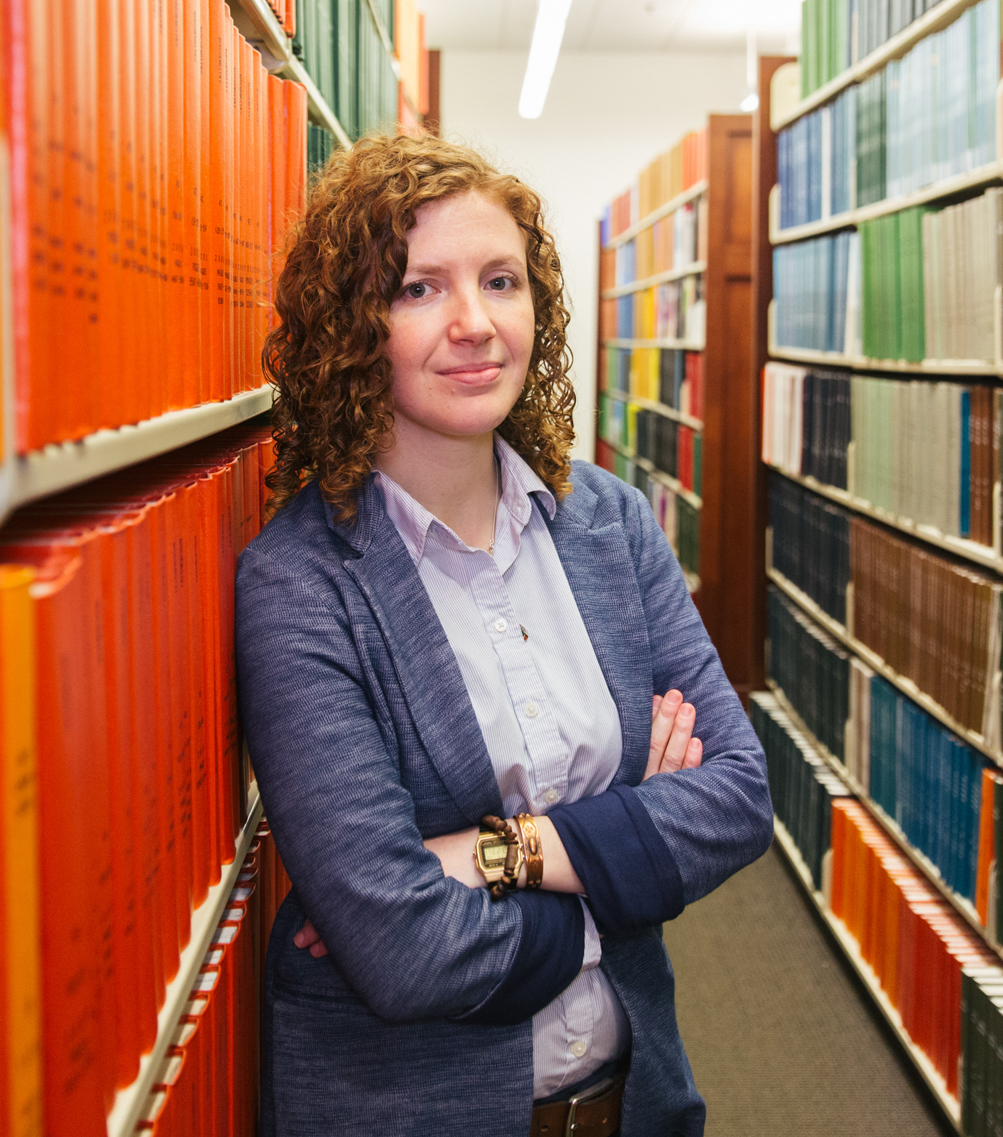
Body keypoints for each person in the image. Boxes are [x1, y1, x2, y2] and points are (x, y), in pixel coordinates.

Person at [236, 132, 773, 1137]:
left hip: (631, 1101)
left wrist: (492, 852)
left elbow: (738, 796)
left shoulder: (607, 522)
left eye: (500, 280)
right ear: (351, 324)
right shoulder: (301, 580)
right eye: (417, 289)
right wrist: (630, 852)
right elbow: (400, 946)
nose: (474, 324)